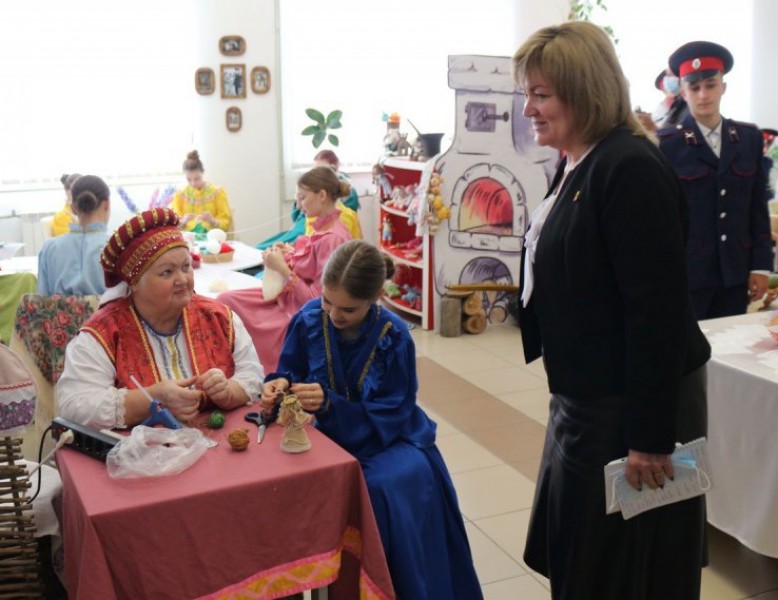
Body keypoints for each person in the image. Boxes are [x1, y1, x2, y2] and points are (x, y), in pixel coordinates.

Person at [513, 22, 711, 599]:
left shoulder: (630, 169)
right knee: (586, 559)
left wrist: (650, 438)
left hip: (631, 408)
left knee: (628, 569)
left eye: (541, 95)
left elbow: (657, 314)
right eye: (527, 94)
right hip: (588, 396)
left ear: (585, 92)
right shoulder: (578, 160)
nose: (528, 110)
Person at [260, 240, 482, 600]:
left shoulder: (394, 336)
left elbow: (393, 412)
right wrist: (280, 383)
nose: (334, 315)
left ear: (376, 297)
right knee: (281, 480)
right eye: (327, 301)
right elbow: (289, 368)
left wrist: (330, 405)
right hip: (323, 435)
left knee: (378, 487)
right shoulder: (310, 318)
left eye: (348, 309)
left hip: (386, 438)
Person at [57, 208, 262, 429]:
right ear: (134, 282)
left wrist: (229, 392)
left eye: (186, 267)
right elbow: (75, 405)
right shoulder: (104, 332)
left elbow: (252, 373)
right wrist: (152, 399)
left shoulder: (219, 317)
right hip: (140, 449)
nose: (182, 280)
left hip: (220, 443)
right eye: (167, 272)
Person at [658, 41, 772, 319]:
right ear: (683, 92)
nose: (703, 95)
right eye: (694, 87)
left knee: (734, 341)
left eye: (710, 85)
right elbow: (662, 217)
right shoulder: (667, 144)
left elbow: (757, 208)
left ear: (723, 87)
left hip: (736, 273)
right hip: (688, 275)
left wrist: (761, 266)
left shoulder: (748, 138)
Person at [218, 167, 352, 372]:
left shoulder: (332, 238)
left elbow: (317, 300)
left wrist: (282, 268)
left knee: (234, 309)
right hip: (289, 297)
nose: (299, 205)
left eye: (302, 197)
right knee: (225, 301)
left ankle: (262, 371)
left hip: (303, 309)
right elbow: (311, 263)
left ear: (322, 195)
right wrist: (289, 253)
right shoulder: (323, 228)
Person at [256, 150, 361, 251]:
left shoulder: (333, 236)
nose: (299, 206)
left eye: (303, 198)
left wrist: (283, 262)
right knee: (260, 248)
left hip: (300, 237)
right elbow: (310, 251)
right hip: (297, 235)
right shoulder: (316, 220)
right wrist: (292, 252)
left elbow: (317, 260)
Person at [37, 174, 110, 296]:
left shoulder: (49, 248)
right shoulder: (116, 247)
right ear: (107, 204)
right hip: (107, 308)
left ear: (73, 207)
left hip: (58, 309)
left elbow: (42, 299)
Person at [170, 150, 232, 233]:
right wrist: (183, 221)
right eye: (189, 179)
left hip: (212, 237)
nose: (193, 183)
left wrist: (212, 221)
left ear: (203, 173)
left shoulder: (217, 193)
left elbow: (226, 224)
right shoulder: (179, 196)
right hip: (186, 238)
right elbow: (173, 227)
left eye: (197, 178)